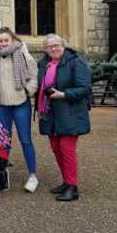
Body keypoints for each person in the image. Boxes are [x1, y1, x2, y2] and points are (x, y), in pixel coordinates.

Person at [36, 34, 92, 202]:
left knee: (66, 149)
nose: (53, 49)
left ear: (63, 45)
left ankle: (72, 187)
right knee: (56, 148)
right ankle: (66, 181)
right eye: (49, 46)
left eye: (56, 45)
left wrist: (63, 94)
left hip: (70, 112)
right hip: (50, 112)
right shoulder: (44, 64)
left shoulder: (76, 62)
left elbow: (85, 88)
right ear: (46, 49)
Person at [0, 27, 39, 193]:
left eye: (6, 40)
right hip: (1, 104)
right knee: (4, 141)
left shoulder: (21, 52)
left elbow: (33, 71)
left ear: (12, 40)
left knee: (25, 139)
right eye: (0, 40)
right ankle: (2, 173)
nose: (3, 43)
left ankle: (32, 176)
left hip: (20, 102)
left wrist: (28, 90)